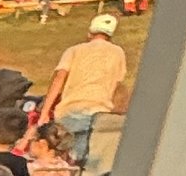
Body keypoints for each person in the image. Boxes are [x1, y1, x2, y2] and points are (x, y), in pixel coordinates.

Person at [41, 14, 129, 160]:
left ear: (89, 33)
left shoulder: (74, 50)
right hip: (99, 112)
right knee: (87, 158)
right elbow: (118, 84)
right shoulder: (118, 53)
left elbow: (59, 78)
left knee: (64, 156)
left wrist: (45, 111)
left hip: (69, 109)